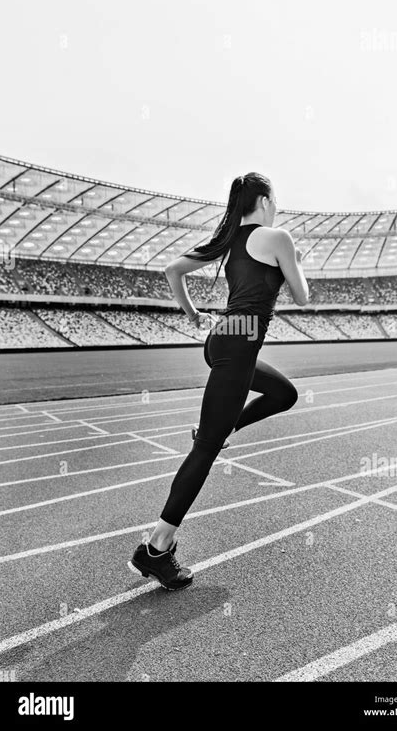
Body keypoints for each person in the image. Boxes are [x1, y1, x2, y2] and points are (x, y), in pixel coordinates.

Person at [128, 172, 309, 590]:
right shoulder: (277, 236)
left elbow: (173, 270)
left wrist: (192, 316)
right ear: (264, 201)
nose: (277, 207)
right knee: (204, 452)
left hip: (223, 341)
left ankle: (226, 426)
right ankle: (156, 548)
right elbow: (302, 296)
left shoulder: (229, 239)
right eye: (275, 200)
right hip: (238, 347)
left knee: (284, 393)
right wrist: (297, 263)